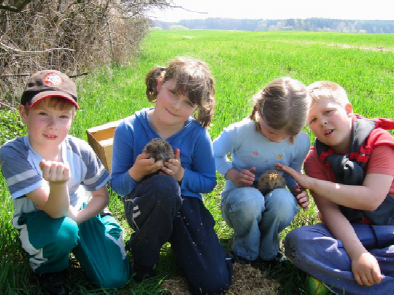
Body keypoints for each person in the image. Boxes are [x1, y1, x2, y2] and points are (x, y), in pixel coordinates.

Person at [110, 57, 233, 295]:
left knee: (214, 284)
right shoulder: (128, 129)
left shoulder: (197, 135)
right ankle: (145, 258)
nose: (177, 105)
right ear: (159, 84)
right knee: (165, 187)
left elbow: (208, 182)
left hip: (186, 207)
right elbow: (118, 186)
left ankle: (188, 247)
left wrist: (182, 175)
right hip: (144, 205)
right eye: (173, 92)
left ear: (198, 107)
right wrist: (137, 172)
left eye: (188, 102)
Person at [0, 70, 130, 295]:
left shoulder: (79, 149)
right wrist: (58, 185)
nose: (53, 125)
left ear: (72, 118)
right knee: (63, 232)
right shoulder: (14, 154)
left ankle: (107, 231)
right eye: (43, 114)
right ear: (24, 113)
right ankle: (50, 269)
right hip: (40, 217)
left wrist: (79, 217)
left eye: (63, 116)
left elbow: (101, 196)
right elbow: (55, 210)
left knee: (113, 279)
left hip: (82, 212)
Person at [276, 81, 394, 294]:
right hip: (352, 234)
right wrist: (358, 254)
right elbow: (330, 211)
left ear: (348, 110)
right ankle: (376, 280)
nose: (322, 122)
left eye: (328, 111)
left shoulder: (379, 140)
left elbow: (371, 199)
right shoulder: (314, 160)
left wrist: (312, 184)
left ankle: (336, 278)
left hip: (390, 230)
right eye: (312, 119)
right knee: (298, 243)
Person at [213, 77, 311, 266]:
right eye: (272, 131)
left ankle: (268, 251)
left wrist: (298, 190)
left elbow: (292, 173)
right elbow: (211, 154)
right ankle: (244, 251)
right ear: (259, 110)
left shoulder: (302, 141)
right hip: (238, 202)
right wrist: (233, 174)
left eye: (287, 136)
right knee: (251, 199)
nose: (277, 140)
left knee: (284, 201)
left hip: (273, 197)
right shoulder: (239, 132)